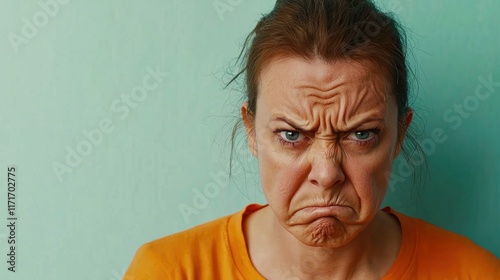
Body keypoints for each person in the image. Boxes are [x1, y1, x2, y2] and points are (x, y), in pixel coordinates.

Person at [125, 0, 500, 278]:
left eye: (360, 134)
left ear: (399, 134)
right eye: (291, 135)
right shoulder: (170, 271)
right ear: (252, 131)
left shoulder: (472, 273)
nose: (326, 173)